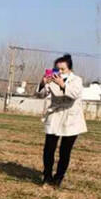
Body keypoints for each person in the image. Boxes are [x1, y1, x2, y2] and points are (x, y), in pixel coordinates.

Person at [36, 53, 86, 188]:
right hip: (55, 116)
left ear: (69, 69)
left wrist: (62, 84)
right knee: (48, 149)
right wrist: (43, 83)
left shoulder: (76, 80)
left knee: (65, 151)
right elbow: (41, 95)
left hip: (71, 117)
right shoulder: (51, 79)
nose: (59, 72)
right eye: (57, 69)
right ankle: (47, 176)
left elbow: (74, 94)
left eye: (62, 69)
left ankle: (58, 178)